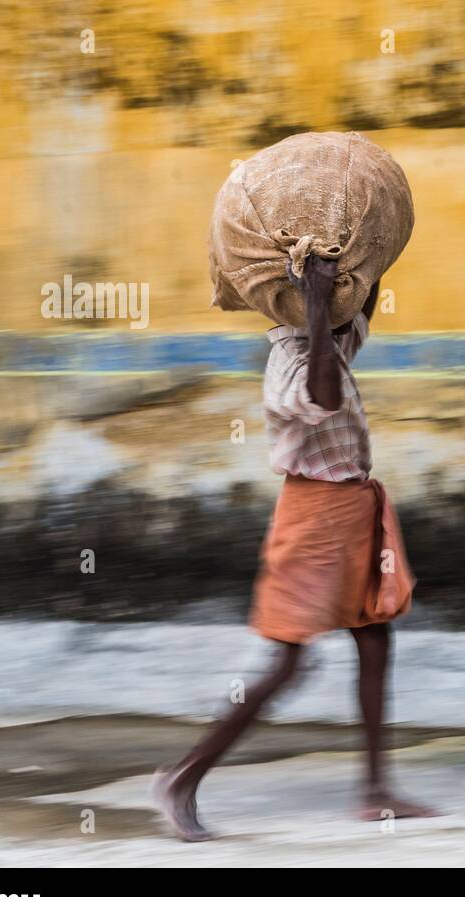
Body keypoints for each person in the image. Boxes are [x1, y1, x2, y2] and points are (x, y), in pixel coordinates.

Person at [154, 252, 434, 841]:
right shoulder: (289, 360)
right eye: (322, 300)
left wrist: (367, 253)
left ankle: (377, 789)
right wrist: (313, 298)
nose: (341, 307)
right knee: (287, 661)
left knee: (376, 637)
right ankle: (183, 778)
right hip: (312, 518)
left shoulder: (329, 338)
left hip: (354, 506)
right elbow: (325, 397)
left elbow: (365, 310)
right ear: (296, 303)